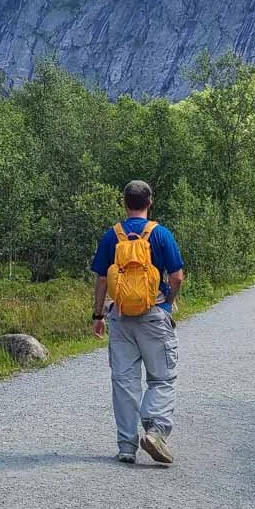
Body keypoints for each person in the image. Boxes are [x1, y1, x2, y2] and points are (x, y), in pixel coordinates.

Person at [90, 180, 185, 464]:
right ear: (150, 202)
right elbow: (177, 275)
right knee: (162, 378)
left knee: (123, 381)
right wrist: (167, 303)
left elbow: (102, 279)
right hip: (154, 315)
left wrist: (98, 316)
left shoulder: (113, 236)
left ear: (124, 203)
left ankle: (126, 447)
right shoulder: (160, 234)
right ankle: (155, 431)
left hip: (120, 317)